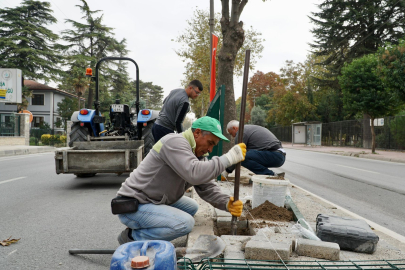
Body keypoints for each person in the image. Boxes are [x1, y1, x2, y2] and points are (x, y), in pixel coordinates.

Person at [115, 116, 246, 244]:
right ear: (197, 133)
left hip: (152, 199)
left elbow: (207, 188)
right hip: (134, 205)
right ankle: (133, 236)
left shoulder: (196, 154)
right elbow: (194, 173)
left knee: (192, 207)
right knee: (185, 223)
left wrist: (226, 203)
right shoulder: (174, 142)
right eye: (210, 143)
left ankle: (148, 224)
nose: (210, 149)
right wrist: (228, 159)